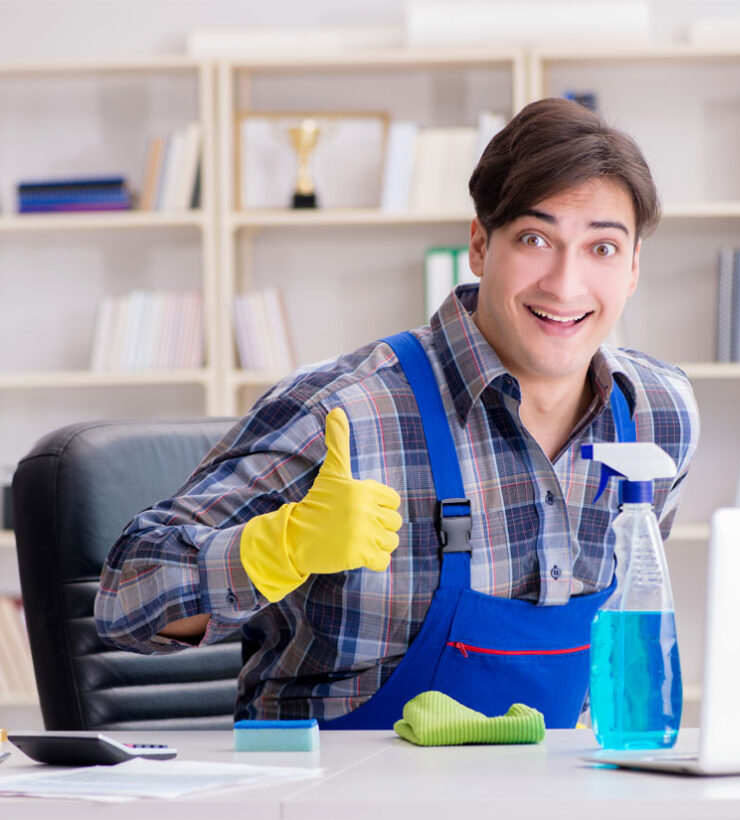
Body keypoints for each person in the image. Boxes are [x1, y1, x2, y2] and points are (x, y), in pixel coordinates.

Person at [95, 97, 700, 728]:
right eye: (534, 238)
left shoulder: (658, 416)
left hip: (538, 788)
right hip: (333, 791)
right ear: (479, 245)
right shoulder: (347, 412)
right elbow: (123, 600)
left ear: (632, 269)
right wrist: (277, 548)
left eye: (601, 249)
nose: (565, 283)